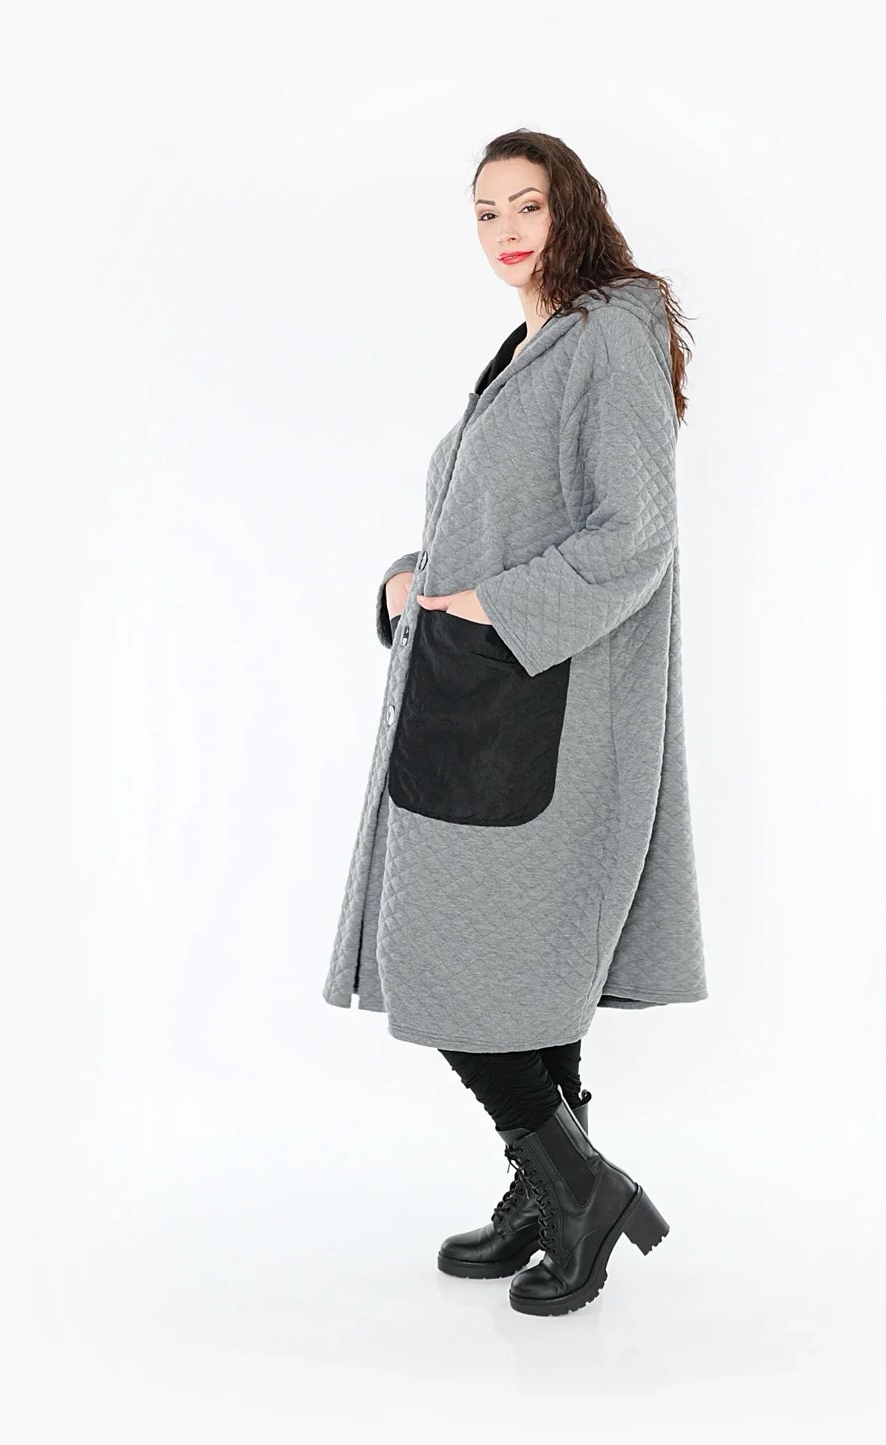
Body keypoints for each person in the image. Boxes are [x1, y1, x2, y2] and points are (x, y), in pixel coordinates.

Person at [321, 129, 708, 1316]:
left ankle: (581, 1188)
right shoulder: (532, 342)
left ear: (570, 205)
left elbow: (631, 532)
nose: (503, 230)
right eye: (484, 211)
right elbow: (491, 517)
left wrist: (487, 608)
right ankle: (546, 1191)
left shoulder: (613, 329)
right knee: (520, 973)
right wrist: (412, 579)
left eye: (524, 204)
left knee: (458, 958)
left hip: (555, 709)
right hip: (482, 695)